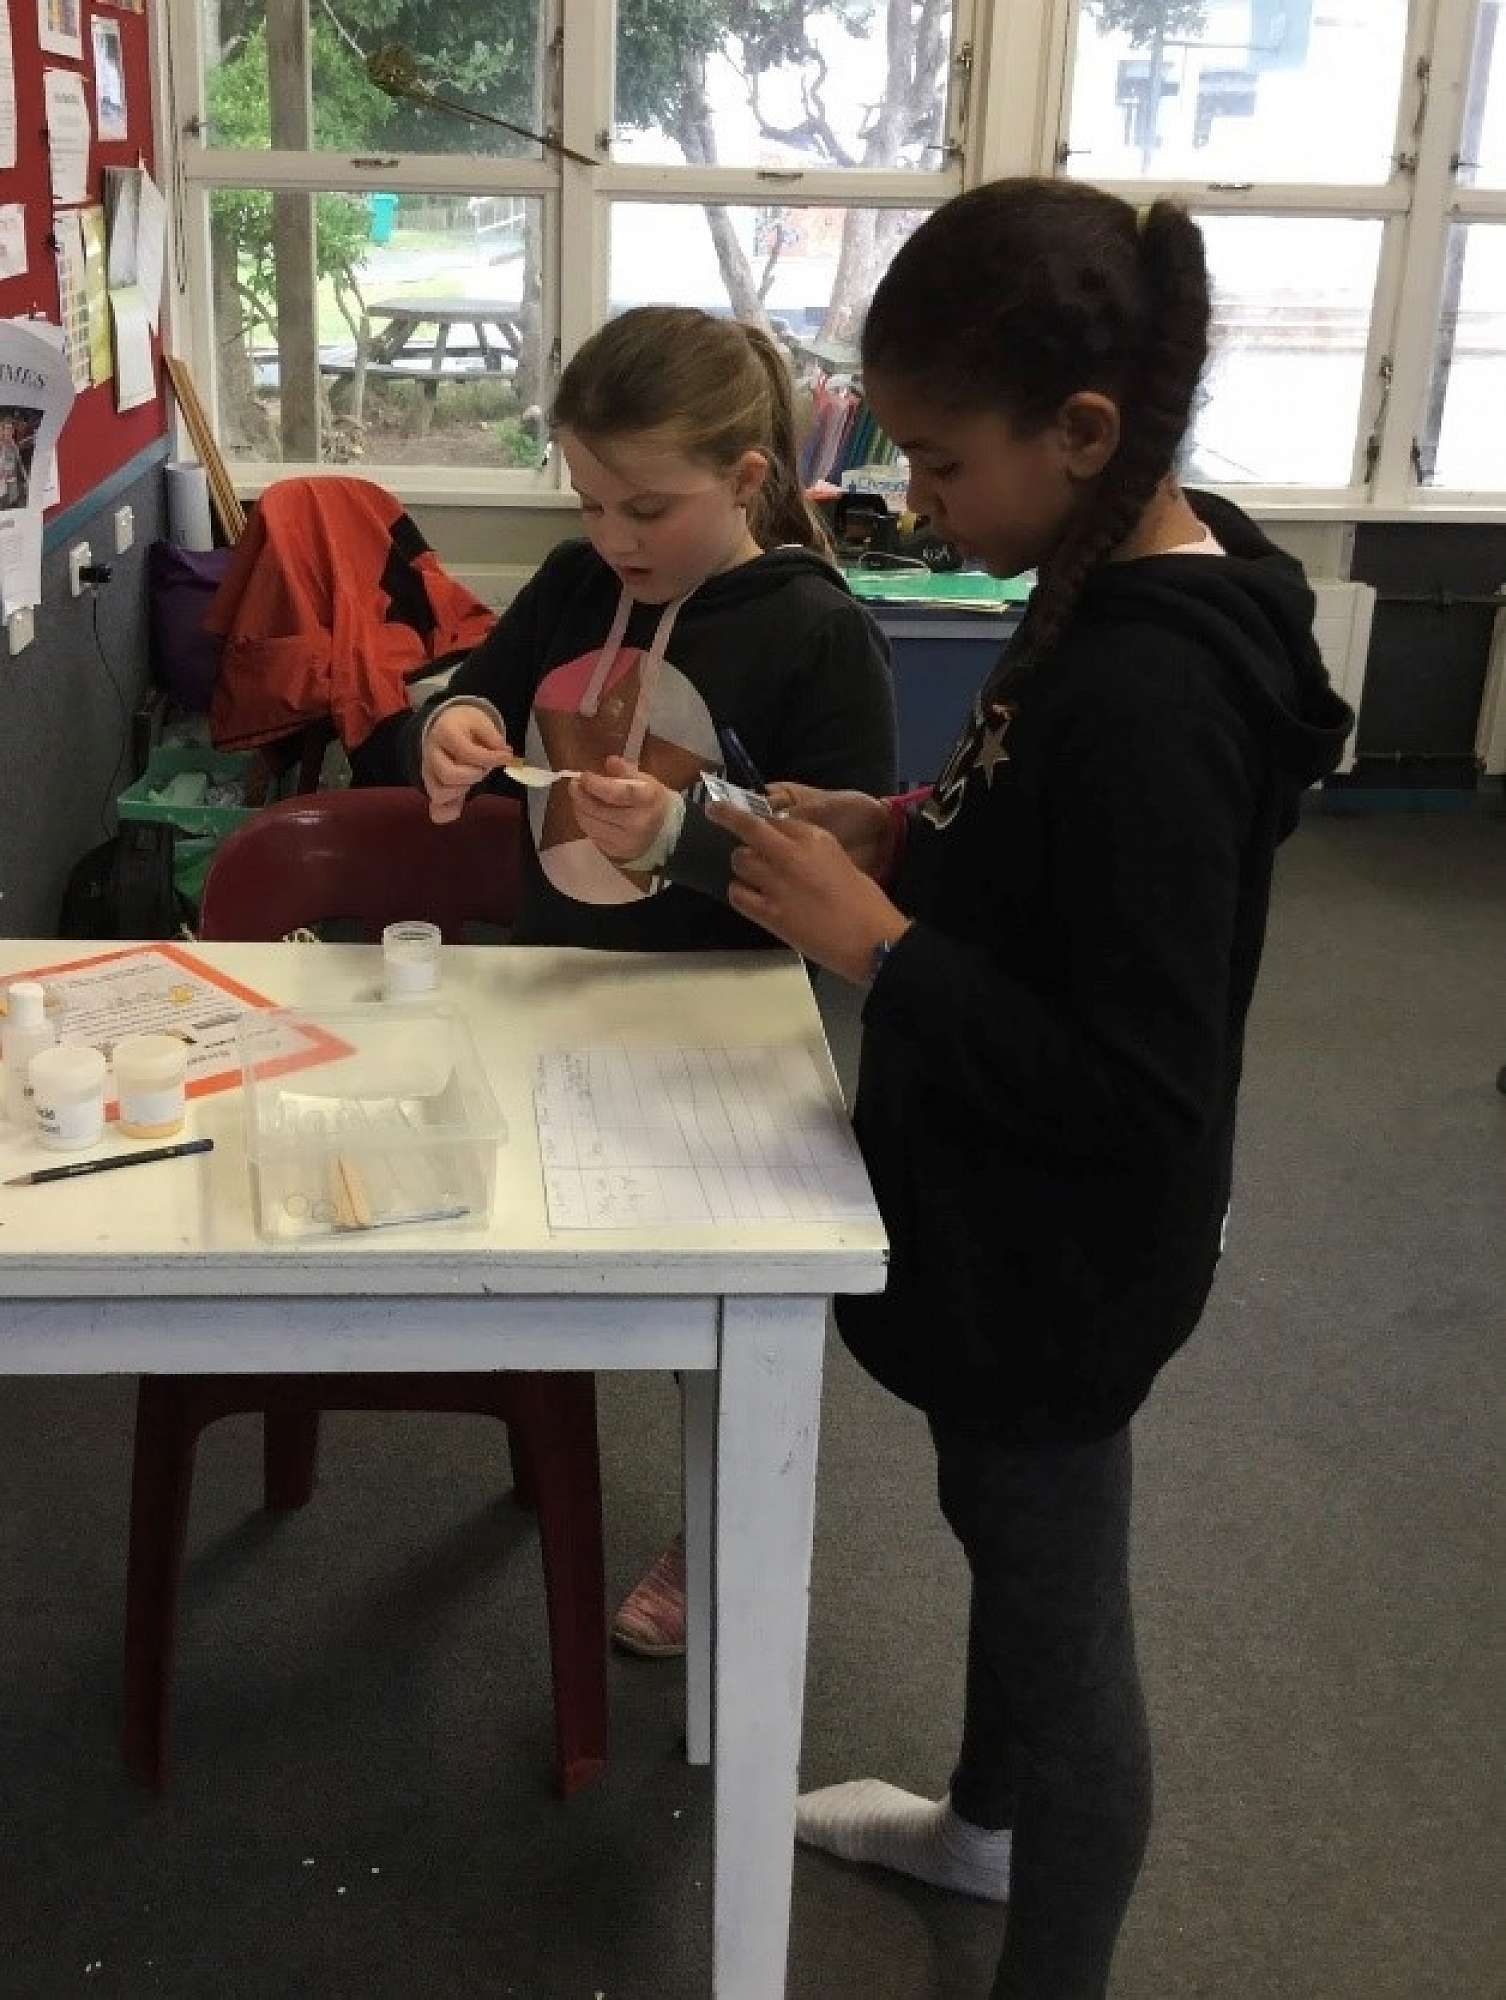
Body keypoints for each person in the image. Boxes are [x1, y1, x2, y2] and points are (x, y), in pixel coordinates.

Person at [697, 179, 1355, 1999]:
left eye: (937, 461)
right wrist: (904, 828)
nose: (913, 500)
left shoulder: (1157, 696)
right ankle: (977, 1826)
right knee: (997, 1530)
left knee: (1066, 1648)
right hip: (997, 1210)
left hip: (1066, 1251)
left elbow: (1136, 1081)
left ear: (1079, 432)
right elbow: (1049, 853)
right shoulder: (1108, 572)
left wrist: (879, 948)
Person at [412, 303, 896, 1655]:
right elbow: (479, 690)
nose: (614, 534)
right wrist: (454, 722)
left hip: (724, 1025)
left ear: (745, 479)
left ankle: (719, 1512)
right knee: (536, 1235)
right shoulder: (577, 582)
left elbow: (844, 868)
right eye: (588, 499)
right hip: (555, 983)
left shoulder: (815, 631)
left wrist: (684, 834)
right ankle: (556, 1427)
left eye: (646, 507)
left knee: (721, 1304)